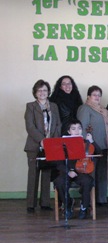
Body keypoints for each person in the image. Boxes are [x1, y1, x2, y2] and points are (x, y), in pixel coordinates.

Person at [24, 79, 61, 213]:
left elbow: (58, 124)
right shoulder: (30, 106)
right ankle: (31, 204)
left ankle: (45, 203)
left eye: (45, 90)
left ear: (48, 92)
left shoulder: (54, 106)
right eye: (39, 90)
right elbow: (30, 126)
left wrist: (53, 141)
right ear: (35, 92)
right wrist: (42, 140)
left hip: (51, 145)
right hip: (34, 145)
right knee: (33, 174)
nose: (42, 93)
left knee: (47, 173)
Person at [54, 119, 97, 219]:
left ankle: (84, 206)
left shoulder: (86, 142)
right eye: (73, 129)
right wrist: (68, 171)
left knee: (88, 181)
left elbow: (97, 151)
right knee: (59, 182)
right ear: (69, 131)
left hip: (81, 171)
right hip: (66, 172)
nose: (77, 131)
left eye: (79, 128)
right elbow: (58, 163)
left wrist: (92, 141)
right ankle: (68, 204)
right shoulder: (62, 143)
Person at [77, 85, 108, 206]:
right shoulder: (85, 108)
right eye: (94, 95)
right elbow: (82, 128)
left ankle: (101, 199)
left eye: (99, 95)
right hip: (91, 148)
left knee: (101, 174)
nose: (97, 97)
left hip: (103, 146)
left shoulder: (103, 110)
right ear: (88, 96)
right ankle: (90, 200)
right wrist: (88, 144)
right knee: (91, 174)